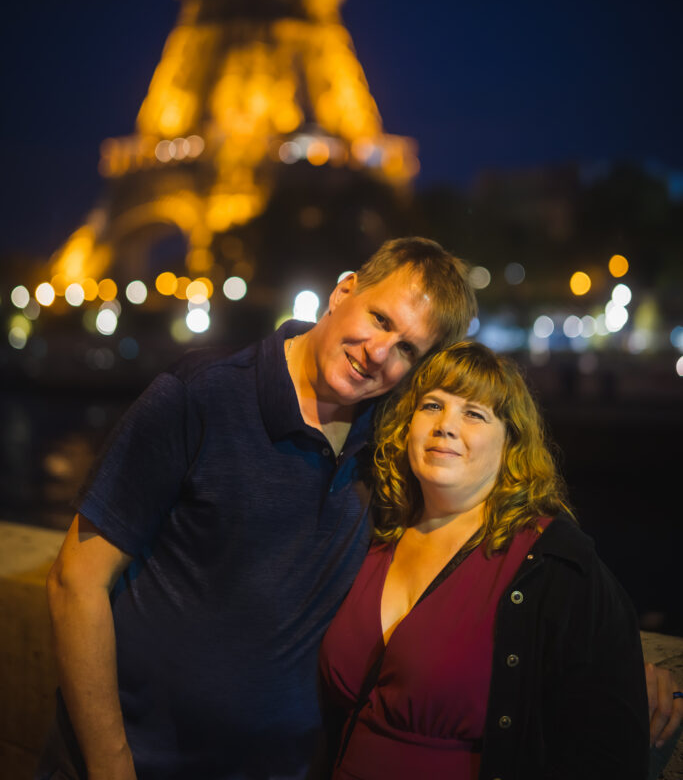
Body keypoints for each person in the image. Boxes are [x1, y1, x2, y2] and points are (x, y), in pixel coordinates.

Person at [39, 237, 477, 780]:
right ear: (343, 292)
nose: (380, 353)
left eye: (408, 348)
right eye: (380, 319)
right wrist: (111, 766)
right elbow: (75, 581)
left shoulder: (390, 441)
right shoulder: (200, 394)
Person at [319, 342, 652, 779]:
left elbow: (608, 742)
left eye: (474, 414)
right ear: (407, 424)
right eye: (432, 405)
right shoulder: (373, 533)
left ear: (510, 443)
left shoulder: (551, 563)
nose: (445, 426)